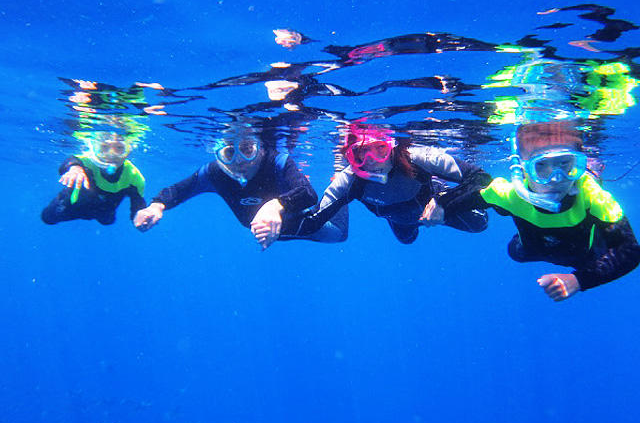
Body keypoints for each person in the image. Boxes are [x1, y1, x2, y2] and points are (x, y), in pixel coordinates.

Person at [437, 122, 640, 301]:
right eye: (541, 166)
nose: (556, 178)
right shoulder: (509, 194)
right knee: (515, 252)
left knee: (599, 255)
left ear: (578, 163)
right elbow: (469, 198)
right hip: (529, 250)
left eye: (566, 164)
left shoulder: (592, 196)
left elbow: (630, 251)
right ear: (522, 168)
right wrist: (440, 207)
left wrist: (579, 280)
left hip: (583, 258)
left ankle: (592, 170)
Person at [134, 130, 346, 248]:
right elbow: (180, 190)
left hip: (305, 225)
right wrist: (156, 206)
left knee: (338, 235)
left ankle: (339, 176)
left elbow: (308, 194)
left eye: (246, 150)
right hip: (271, 234)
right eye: (228, 153)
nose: (238, 161)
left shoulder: (277, 162)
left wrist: (276, 206)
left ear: (261, 149)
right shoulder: (215, 173)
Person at [288, 126, 490, 245]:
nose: (372, 161)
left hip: (434, 202)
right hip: (401, 220)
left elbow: (482, 178)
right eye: (361, 153)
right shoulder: (348, 180)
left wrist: (445, 203)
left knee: (479, 223)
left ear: (392, 147)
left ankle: (439, 189)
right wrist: (273, 223)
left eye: (380, 150)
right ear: (351, 156)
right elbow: (314, 222)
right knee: (406, 239)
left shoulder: (418, 158)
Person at [41, 132, 146, 225]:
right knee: (47, 217)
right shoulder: (86, 161)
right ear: (94, 148)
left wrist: (142, 217)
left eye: (119, 148)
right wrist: (75, 168)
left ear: (129, 150)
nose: (111, 155)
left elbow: (138, 207)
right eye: (104, 148)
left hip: (103, 211)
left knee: (108, 221)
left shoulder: (135, 177)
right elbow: (71, 161)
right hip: (73, 205)